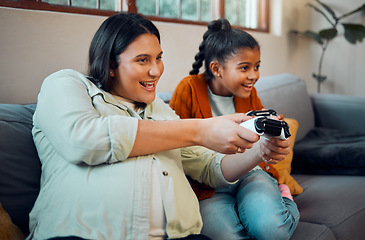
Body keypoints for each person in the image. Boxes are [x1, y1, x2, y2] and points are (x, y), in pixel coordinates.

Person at [27, 13, 291, 240]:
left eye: (158, 58)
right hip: (80, 235)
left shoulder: (161, 112)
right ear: (110, 65)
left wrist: (260, 152)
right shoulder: (66, 84)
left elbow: (210, 167)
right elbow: (84, 140)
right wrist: (200, 129)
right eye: (143, 60)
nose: (156, 71)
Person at [169, 18, 300, 240]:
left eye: (257, 66)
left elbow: (260, 143)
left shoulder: (249, 92)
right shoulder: (188, 88)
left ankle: (284, 198)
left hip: (251, 173)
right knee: (226, 236)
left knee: (272, 231)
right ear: (217, 69)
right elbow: (174, 140)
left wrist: (272, 135)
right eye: (244, 68)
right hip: (207, 184)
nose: (254, 76)